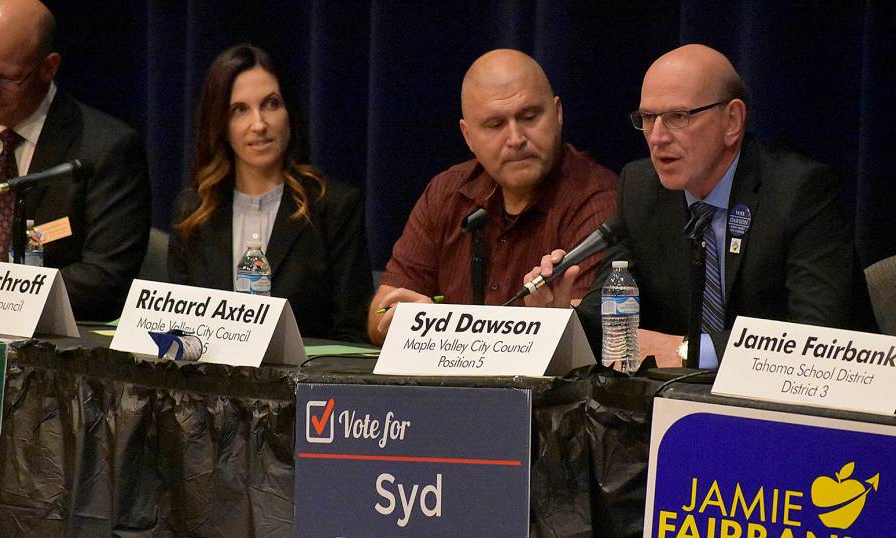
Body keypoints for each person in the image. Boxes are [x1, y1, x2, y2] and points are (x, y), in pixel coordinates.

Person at [525, 44, 867, 367]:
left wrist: (688, 351)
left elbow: (816, 337)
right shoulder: (641, 188)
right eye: (647, 117)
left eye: (678, 117)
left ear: (732, 121)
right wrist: (562, 320)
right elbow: (612, 307)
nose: (657, 136)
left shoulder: (799, 192)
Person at [368, 48, 618, 345]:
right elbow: (380, 313)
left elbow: (584, 331)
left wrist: (440, 329)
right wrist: (413, 322)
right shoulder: (446, 192)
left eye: (528, 117)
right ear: (468, 137)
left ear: (558, 114)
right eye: (495, 125)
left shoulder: (597, 199)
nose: (515, 139)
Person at [0, 0, 151, 321]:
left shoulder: (107, 148)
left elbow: (106, 278)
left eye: (5, 77)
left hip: (47, 348)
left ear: (49, 67)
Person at [169, 44, 372, 343]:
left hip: (302, 384)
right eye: (240, 110)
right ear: (221, 125)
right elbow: (180, 329)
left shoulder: (334, 206)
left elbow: (350, 332)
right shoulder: (192, 211)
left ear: (289, 113)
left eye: (271, 104)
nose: (259, 124)